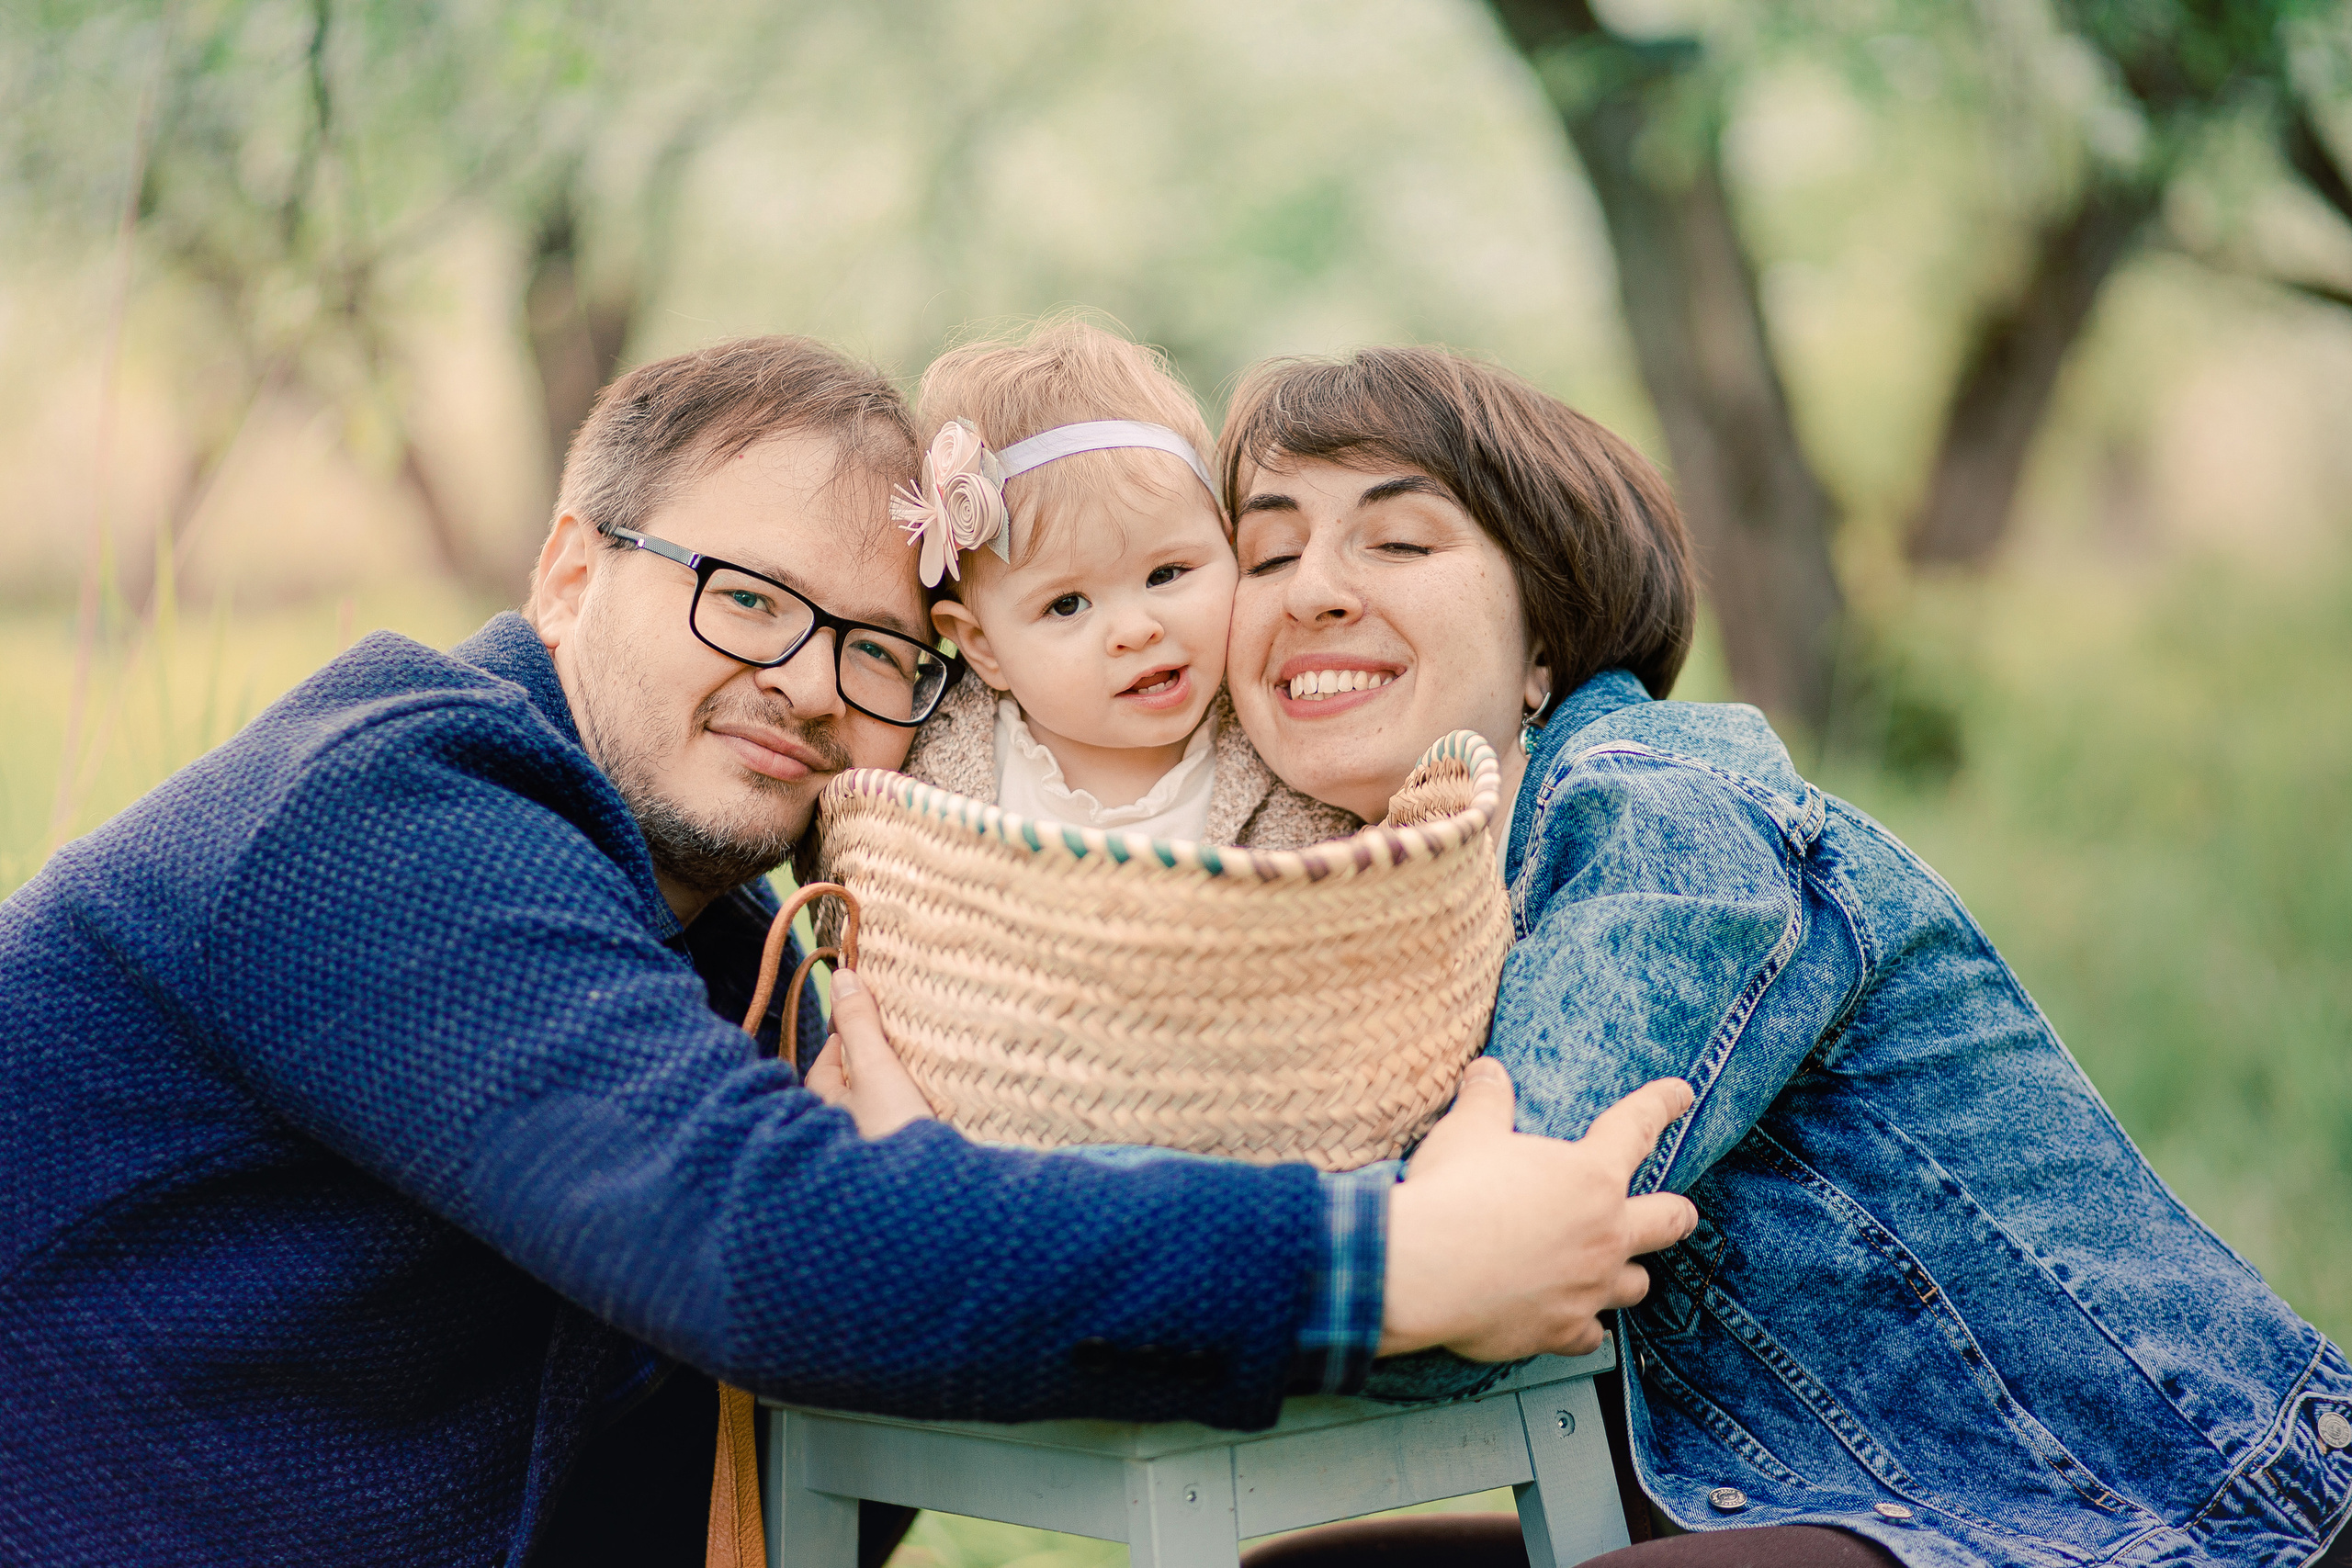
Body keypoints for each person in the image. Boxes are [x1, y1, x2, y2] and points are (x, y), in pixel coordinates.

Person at [0, 334, 1702, 1567]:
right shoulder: (388, 805)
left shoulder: (736, 939)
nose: (813, 684)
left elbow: (838, 1371)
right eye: (747, 598)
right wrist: (1393, 1261)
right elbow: (756, 1242)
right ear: (569, 571)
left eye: (883, 653)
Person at [1210, 346, 2352, 1568]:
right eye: (1267, 554)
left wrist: (1099, 1276)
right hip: (1834, 1497)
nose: (1310, 591)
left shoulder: (1664, 820)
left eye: (1399, 543)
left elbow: (1471, 1275)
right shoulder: (1415, 910)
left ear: (1546, 637)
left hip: (2153, 1513)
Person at [887, 318, 1354, 848]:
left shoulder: (1294, 755)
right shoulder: (921, 777)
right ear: (981, 645)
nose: (1135, 631)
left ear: (1230, 546)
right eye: (1066, 605)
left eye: (1165, 574)